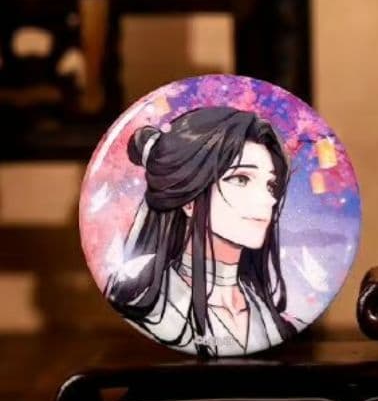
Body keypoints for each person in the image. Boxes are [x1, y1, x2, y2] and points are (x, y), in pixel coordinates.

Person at [106, 106, 301, 356]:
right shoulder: (149, 310)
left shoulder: (270, 317)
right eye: (241, 179)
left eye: (271, 185)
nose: (268, 200)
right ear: (189, 200)